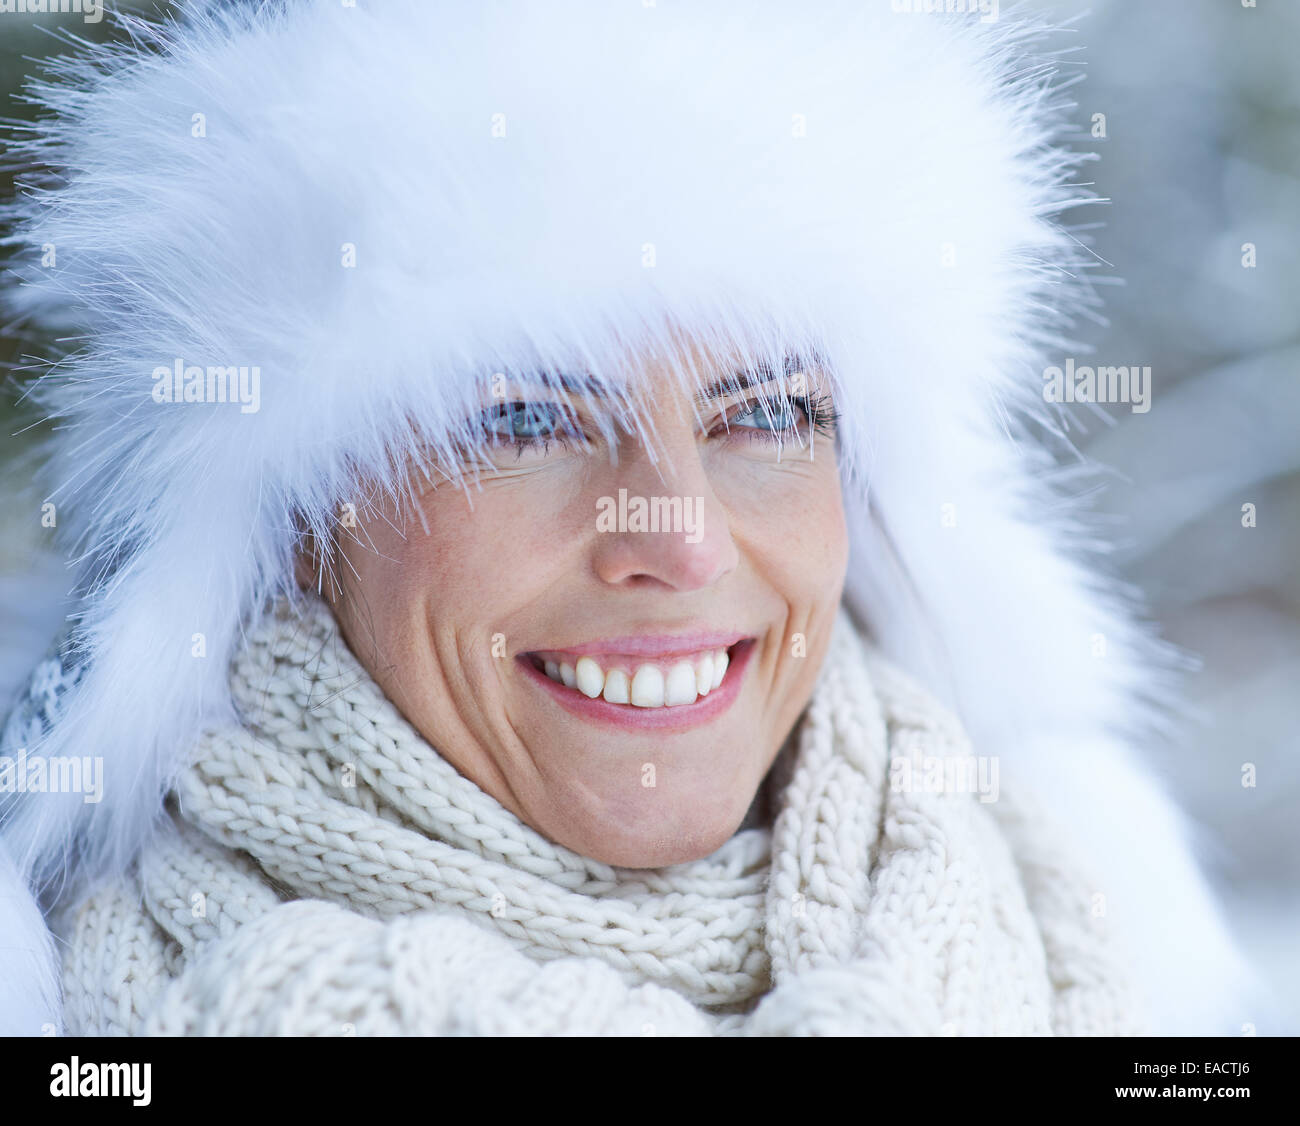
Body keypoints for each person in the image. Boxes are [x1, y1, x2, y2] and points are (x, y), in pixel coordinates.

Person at [0, 0, 1252, 1035]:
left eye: (762, 413)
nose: (681, 539)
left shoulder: (1109, 966)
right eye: (524, 421)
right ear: (294, 531)